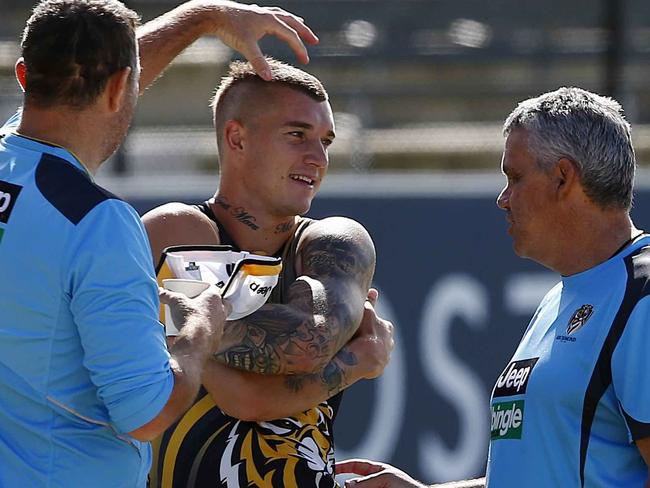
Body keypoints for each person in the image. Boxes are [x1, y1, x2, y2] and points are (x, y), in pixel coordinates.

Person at [0, 1, 320, 486]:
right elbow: (146, 414)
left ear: (24, 76)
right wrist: (197, 332)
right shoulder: (97, 224)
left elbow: (90, 79)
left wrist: (200, 17)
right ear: (119, 87)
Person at [336, 87, 650, 487]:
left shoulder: (642, 295)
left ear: (563, 178)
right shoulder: (562, 296)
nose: (503, 198)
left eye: (515, 177)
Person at [142, 58, 395, 487]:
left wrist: (200, 336)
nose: (317, 158)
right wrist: (353, 362)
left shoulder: (337, 241)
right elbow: (248, 398)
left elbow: (305, 344)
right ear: (236, 138)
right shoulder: (177, 229)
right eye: (297, 135)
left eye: (326, 142)